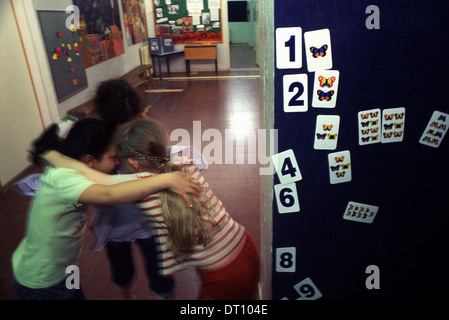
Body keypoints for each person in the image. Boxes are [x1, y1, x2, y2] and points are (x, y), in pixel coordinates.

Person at [45, 118, 261, 299]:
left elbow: (99, 181)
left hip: (223, 275)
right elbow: (156, 142)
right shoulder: (183, 161)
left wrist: (52, 154)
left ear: (134, 164)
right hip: (245, 246)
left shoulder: (140, 194)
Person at [11, 119, 199, 300]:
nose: (118, 163)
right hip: (42, 281)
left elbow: (110, 180)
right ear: (90, 160)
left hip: (66, 269)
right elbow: (109, 193)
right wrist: (167, 179)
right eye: (113, 157)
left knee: (75, 295)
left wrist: (48, 153)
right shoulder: (65, 178)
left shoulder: (73, 166)